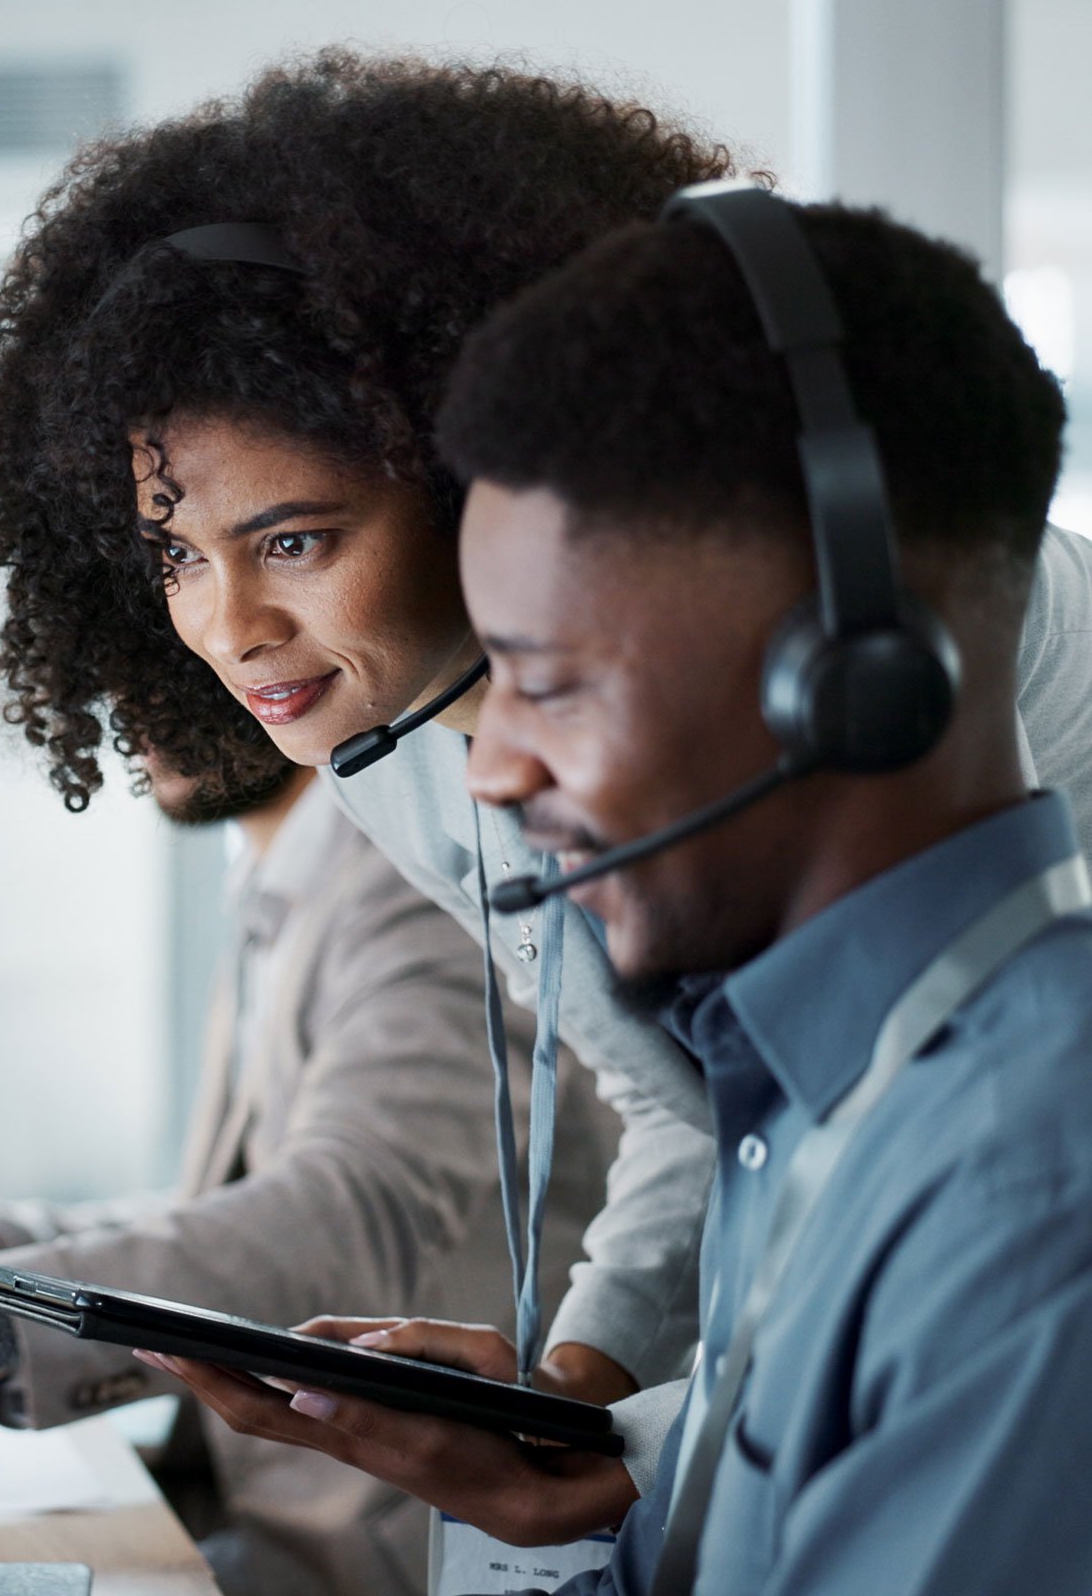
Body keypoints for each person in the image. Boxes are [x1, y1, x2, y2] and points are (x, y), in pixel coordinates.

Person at [0, 46, 1092, 1536]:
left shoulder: (899, 659)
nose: (226, 628)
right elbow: (701, 1112)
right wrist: (574, 1409)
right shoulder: (389, 747)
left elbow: (931, 1207)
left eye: (292, 541)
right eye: (174, 559)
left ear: (466, 471)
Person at [157, 195, 1092, 1591]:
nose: (491, 773)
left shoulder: (1019, 1187)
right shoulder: (791, 1107)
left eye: (550, 679)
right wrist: (591, 1440)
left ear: (845, 672)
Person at [0, 752, 613, 1596]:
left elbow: (347, 1211)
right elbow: (216, 1221)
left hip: (397, 1551)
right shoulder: (283, 873)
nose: (140, 686)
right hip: (253, 1523)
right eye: (168, 569)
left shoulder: (418, 880)